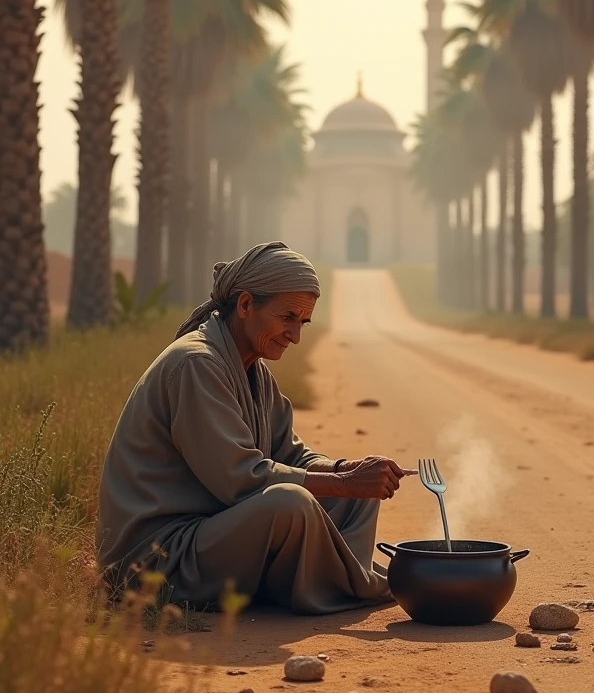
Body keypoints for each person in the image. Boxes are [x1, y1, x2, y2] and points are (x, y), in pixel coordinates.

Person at [97, 241, 413, 615]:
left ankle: (332, 579)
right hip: (160, 560)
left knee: (354, 498)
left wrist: (347, 473)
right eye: (287, 318)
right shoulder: (196, 364)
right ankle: (347, 584)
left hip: (213, 532)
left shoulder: (253, 370)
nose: (295, 336)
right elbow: (241, 479)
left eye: (303, 322)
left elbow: (291, 454)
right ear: (246, 305)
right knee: (290, 504)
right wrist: (343, 482)